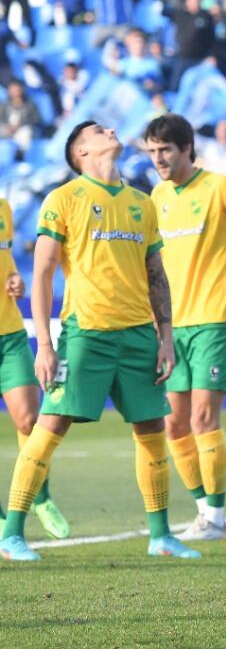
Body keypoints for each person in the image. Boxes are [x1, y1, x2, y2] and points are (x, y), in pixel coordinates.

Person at [0, 121, 200, 561]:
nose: (109, 129)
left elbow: (156, 275)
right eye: (97, 130)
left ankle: (161, 536)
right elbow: (45, 273)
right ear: (81, 153)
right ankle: (13, 534)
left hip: (137, 337)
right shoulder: (63, 199)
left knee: (151, 431)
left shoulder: (140, 203)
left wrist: (165, 337)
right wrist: (46, 345)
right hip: (84, 336)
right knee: (49, 426)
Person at [143, 115, 226, 542]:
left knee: (203, 418)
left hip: (215, 321)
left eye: (165, 149)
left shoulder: (221, 187)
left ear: (186, 149)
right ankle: (204, 511)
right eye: (152, 151)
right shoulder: (157, 195)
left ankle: (217, 517)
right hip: (171, 326)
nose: (159, 158)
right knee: (175, 425)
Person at [0, 195, 70, 539]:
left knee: (29, 420)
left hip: (9, 333)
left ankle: (40, 497)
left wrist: (14, 278)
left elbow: (6, 256)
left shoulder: (3, 206)